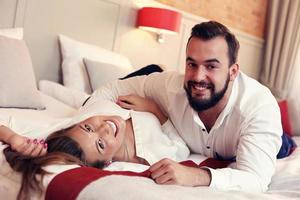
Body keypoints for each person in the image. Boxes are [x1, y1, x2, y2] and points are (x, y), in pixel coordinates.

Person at [83, 21, 283, 192]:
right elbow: (114, 88)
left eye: (211, 66)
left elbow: (255, 180)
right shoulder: (170, 87)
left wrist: (195, 176)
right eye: (191, 64)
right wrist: (84, 119)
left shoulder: (258, 107)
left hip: (266, 143)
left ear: (233, 72)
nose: (198, 77)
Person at [2, 98, 190, 199]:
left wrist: (14, 138)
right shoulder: (149, 157)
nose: (104, 129)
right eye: (100, 144)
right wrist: (153, 108)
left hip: (110, 93)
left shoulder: (67, 127)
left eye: (88, 128)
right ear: (107, 162)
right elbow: (182, 147)